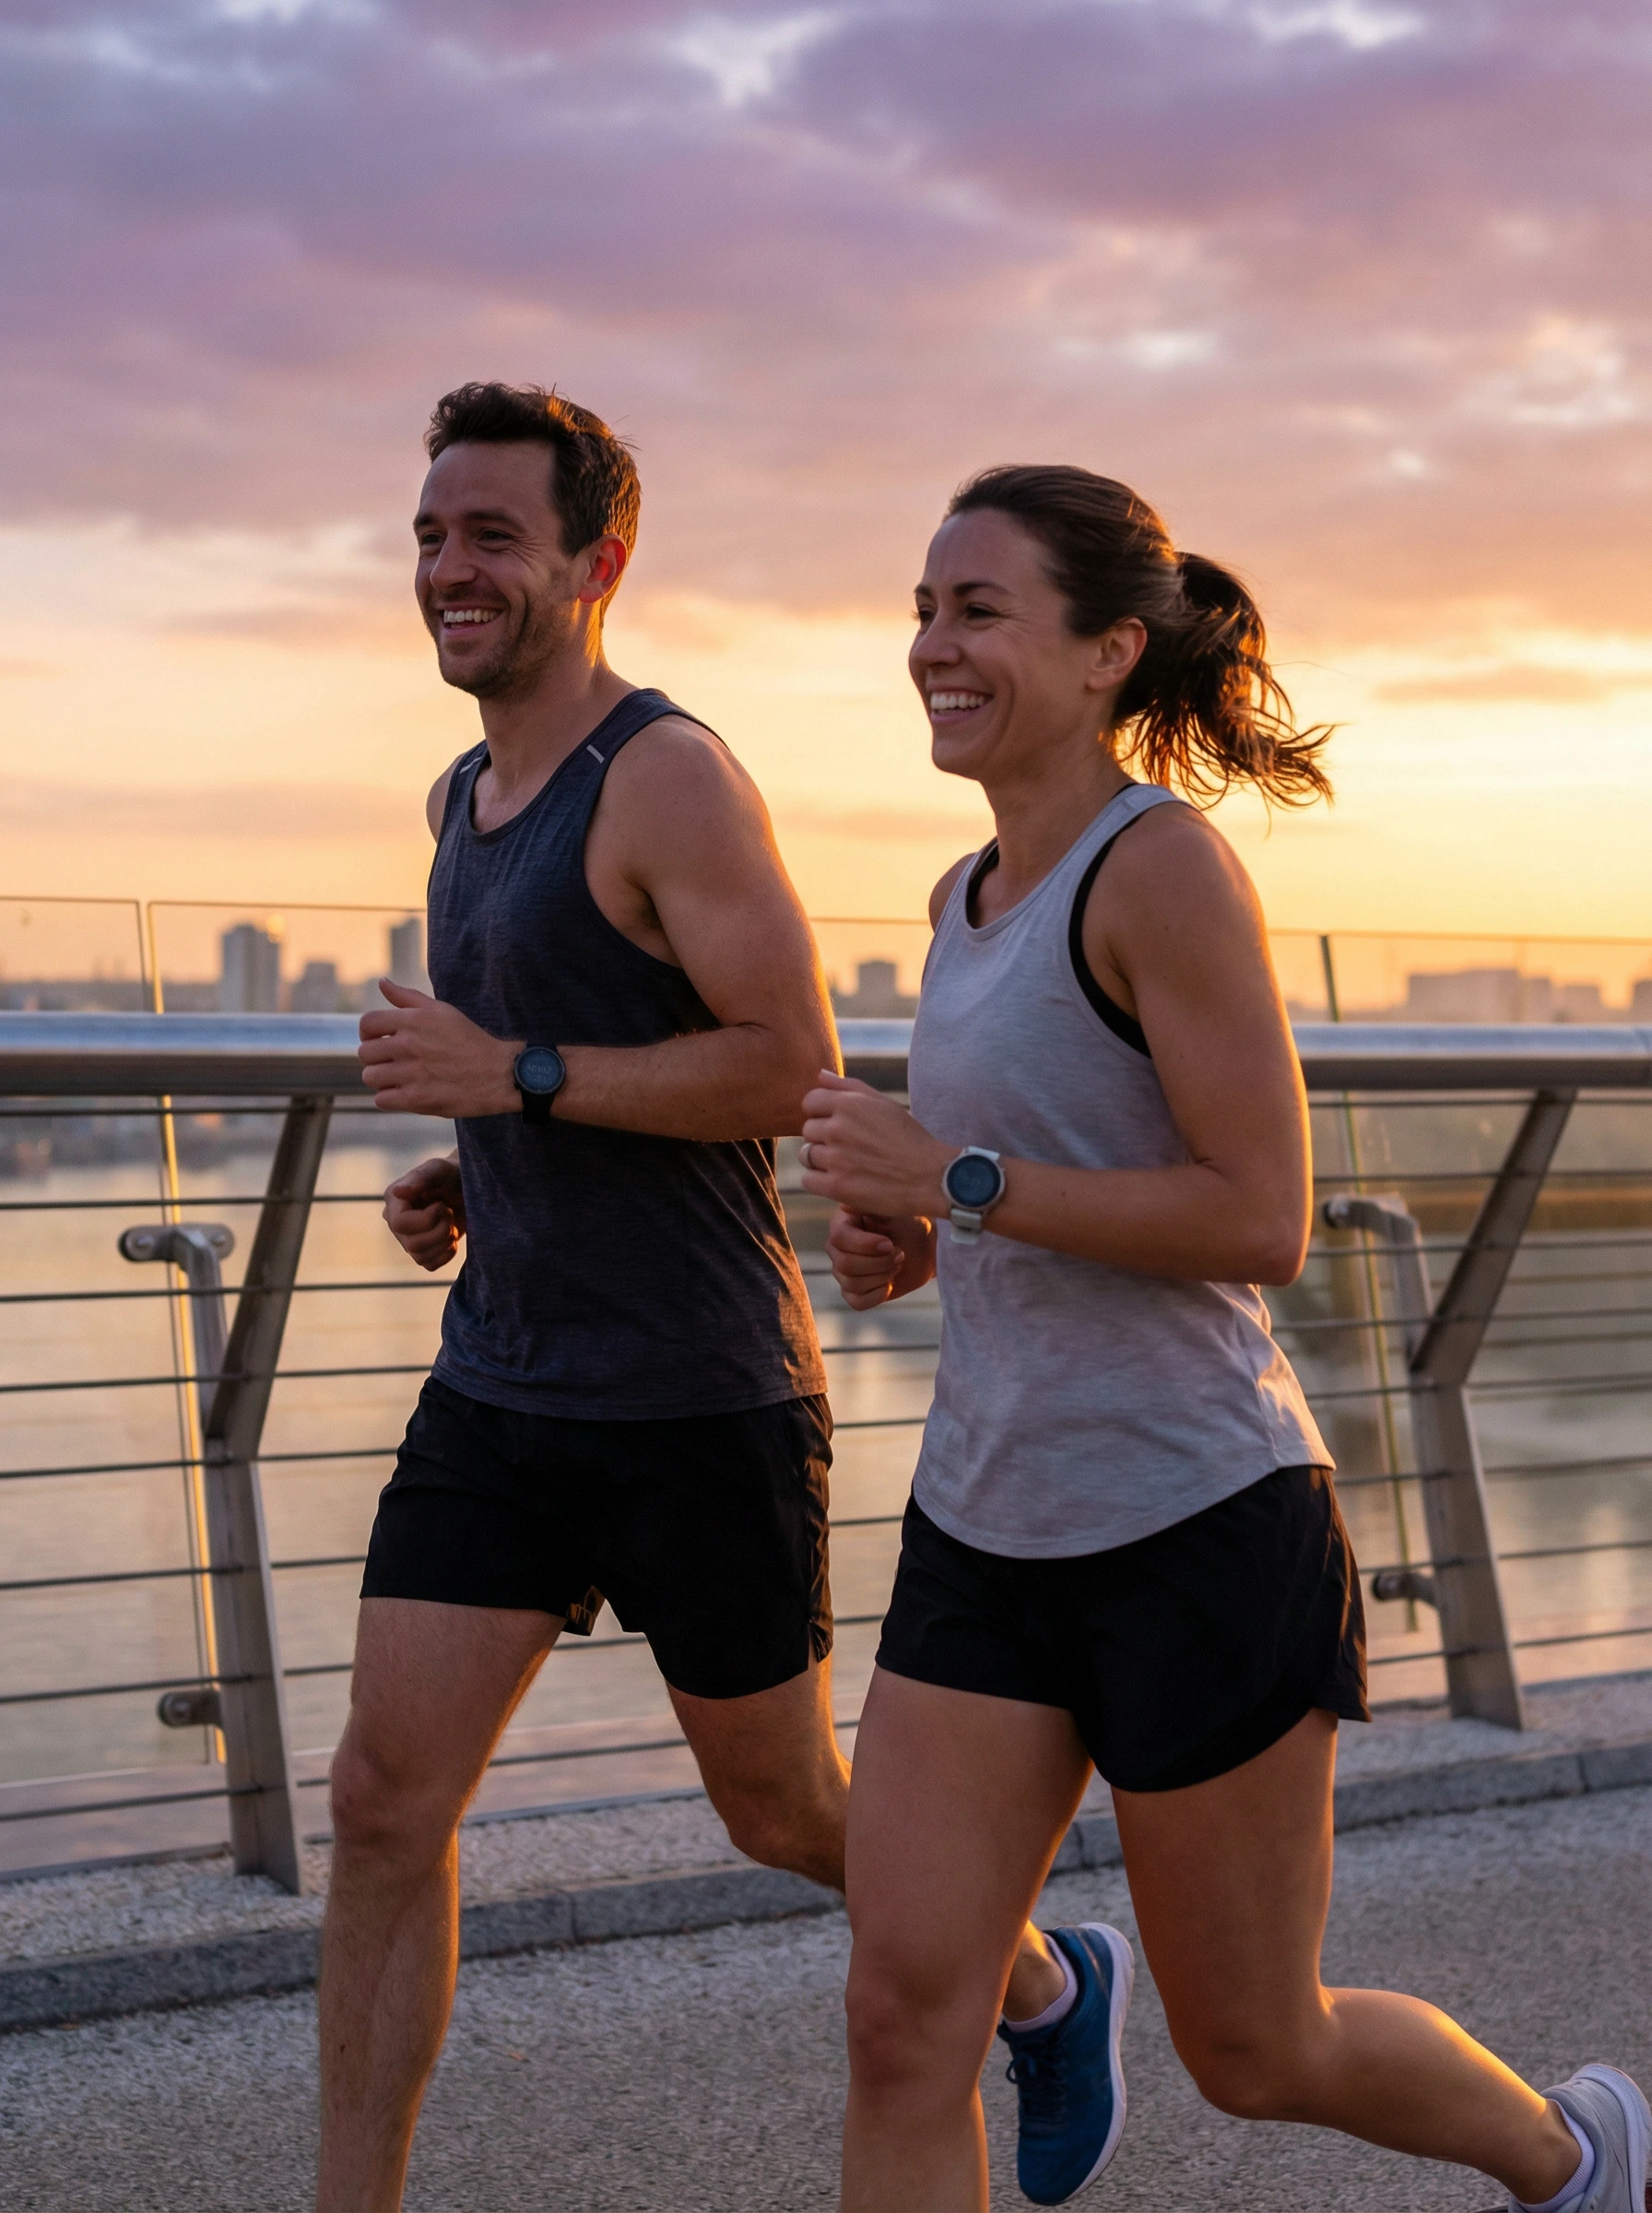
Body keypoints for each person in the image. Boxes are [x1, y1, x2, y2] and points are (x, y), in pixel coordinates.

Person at [801, 464, 1649, 2213]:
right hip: (987, 1523)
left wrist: (959, 1176)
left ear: (1113, 648)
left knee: (1260, 2048)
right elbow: (1029, 1196)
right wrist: (914, 1234)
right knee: (903, 2020)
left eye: (978, 610)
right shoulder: (963, 898)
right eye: (921, 608)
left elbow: (1259, 1217)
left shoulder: (1162, 869)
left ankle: (1576, 2157)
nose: (931, 647)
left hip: (1197, 1523)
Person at [318, 384, 1059, 2213]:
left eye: (491, 534)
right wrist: (477, 1169)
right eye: (430, 534)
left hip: (696, 1393)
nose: (447, 569)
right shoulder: (459, 793)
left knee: (782, 1810)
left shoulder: (662, 774)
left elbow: (782, 1063)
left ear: (596, 562)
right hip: (502, 1386)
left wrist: (512, 1084)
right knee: (379, 1806)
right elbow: (556, 1060)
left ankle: (1042, 1982)